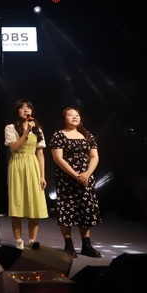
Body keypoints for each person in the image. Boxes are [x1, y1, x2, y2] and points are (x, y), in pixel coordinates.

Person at [48, 107, 103, 258]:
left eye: (77, 115)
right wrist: (75, 175)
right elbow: (58, 158)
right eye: (70, 115)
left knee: (85, 209)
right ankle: (68, 244)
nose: (74, 117)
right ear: (63, 118)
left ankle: (86, 245)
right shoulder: (59, 135)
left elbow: (94, 156)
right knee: (67, 210)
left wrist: (87, 174)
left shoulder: (87, 134)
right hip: (66, 178)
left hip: (86, 178)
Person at [4, 99, 49, 249]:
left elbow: (40, 154)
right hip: (17, 164)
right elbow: (15, 147)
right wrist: (26, 132)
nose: (26, 110)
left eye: (28, 107)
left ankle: (32, 241)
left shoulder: (38, 129)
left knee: (34, 206)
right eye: (22, 108)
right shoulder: (10, 128)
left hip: (33, 165)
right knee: (17, 204)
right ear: (17, 111)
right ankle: (18, 241)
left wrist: (42, 175)